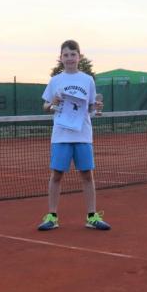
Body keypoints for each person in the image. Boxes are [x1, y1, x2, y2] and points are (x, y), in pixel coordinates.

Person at [38, 40, 111, 231]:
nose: (69, 58)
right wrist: (52, 103)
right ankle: (52, 216)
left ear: (79, 57)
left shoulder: (88, 80)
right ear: (61, 58)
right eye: (66, 55)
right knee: (56, 175)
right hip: (61, 136)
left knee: (87, 175)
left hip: (83, 135)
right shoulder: (55, 80)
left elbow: (91, 107)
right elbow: (45, 107)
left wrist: (96, 107)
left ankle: (92, 216)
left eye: (73, 54)